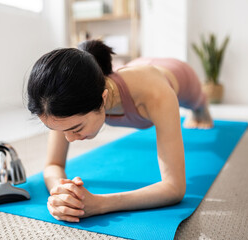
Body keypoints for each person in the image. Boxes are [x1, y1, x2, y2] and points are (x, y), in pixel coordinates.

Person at [26, 40, 213, 223]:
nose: (69, 138)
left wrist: (99, 204)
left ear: (103, 98)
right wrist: (62, 194)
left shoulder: (157, 95)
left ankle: (202, 106)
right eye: (60, 130)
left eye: (76, 129)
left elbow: (174, 188)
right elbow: (52, 165)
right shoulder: (64, 103)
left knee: (198, 107)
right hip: (136, 67)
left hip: (178, 74)